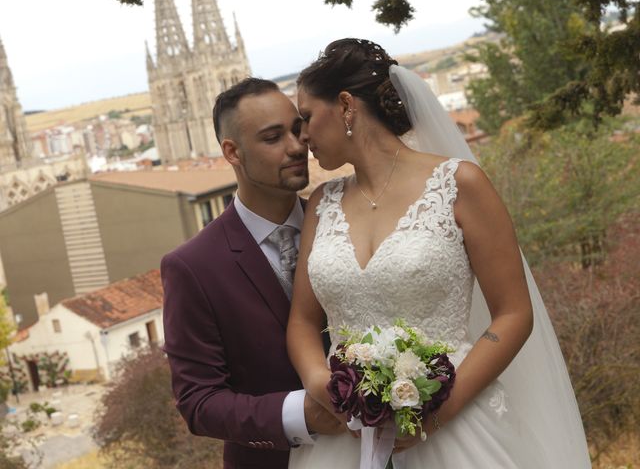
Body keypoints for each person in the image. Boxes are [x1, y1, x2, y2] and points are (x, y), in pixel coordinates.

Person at [286, 39, 591, 468]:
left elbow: (514, 314)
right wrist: (326, 387)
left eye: (307, 117)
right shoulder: (322, 202)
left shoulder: (459, 184)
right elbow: (302, 320)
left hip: (456, 423)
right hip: (346, 437)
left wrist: (436, 412)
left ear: (345, 105)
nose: (302, 136)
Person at [161, 78, 342, 469]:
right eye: (273, 138)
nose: (297, 147)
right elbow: (198, 401)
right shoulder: (192, 267)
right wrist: (302, 415)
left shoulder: (343, 223)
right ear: (232, 152)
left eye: (297, 129)